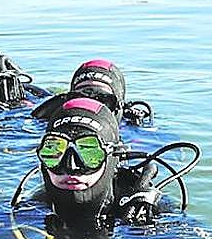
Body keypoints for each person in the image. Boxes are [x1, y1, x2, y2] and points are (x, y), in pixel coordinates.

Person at [24, 97, 177, 231]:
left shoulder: (145, 209)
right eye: (54, 152)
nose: (71, 167)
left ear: (112, 157)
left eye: (90, 153)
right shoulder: (32, 208)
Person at [32, 58, 153, 125]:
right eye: (81, 98)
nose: (89, 106)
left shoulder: (132, 129)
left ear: (118, 106)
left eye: (103, 100)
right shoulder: (48, 121)